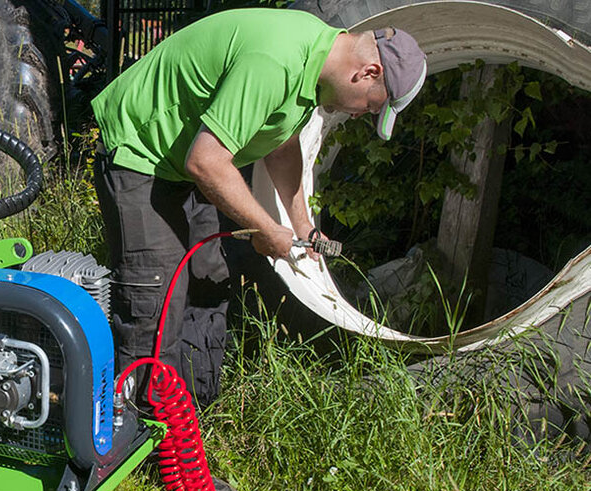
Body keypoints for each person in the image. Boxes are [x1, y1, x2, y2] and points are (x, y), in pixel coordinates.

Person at [92, 9, 427, 407]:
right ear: (368, 72)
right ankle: (146, 445)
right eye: (372, 106)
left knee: (208, 279)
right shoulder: (276, 61)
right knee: (157, 300)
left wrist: (304, 227)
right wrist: (264, 228)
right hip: (142, 150)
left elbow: (281, 147)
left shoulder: (315, 62)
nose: (360, 114)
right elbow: (206, 162)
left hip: (189, 159)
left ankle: (191, 420)